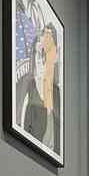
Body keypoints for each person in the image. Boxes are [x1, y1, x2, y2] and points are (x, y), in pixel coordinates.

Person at [17, 22, 61, 153]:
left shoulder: (56, 93)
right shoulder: (26, 84)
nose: (42, 62)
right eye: (38, 56)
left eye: (45, 57)